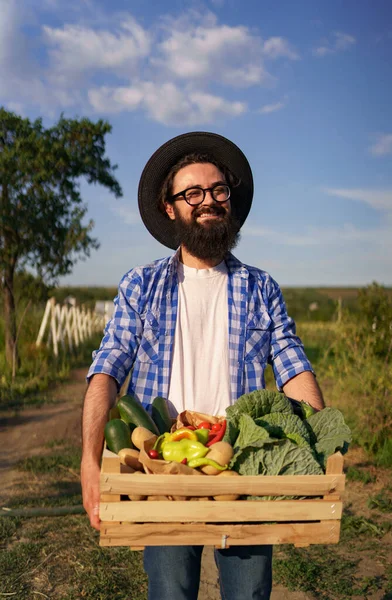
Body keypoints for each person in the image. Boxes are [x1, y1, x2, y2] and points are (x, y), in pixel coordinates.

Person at [81, 131, 325, 600]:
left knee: (249, 593)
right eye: (192, 192)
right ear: (170, 207)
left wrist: (317, 447)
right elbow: (107, 371)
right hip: (163, 466)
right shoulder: (142, 284)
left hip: (240, 463)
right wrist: (90, 463)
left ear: (229, 202)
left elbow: (294, 369)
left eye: (218, 191)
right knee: (171, 591)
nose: (208, 200)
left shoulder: (261, 287)